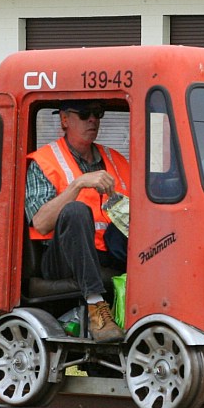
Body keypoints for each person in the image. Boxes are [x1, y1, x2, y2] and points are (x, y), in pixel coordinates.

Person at [25, 100, 130, 343]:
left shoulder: (116, 160)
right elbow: (40, 222)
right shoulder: (45, 162)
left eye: (97, 113)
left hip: (111, 253)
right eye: (84, 114)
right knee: (75, 210)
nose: (92, 119)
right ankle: (96, 307)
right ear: (64, 120)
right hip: (62, 258)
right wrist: (78, 184)